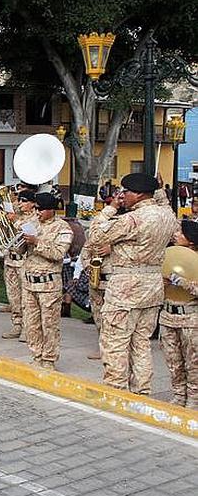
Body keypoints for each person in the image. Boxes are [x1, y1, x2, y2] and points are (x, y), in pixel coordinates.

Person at [88, 173, 176, 394]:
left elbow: (96, 236)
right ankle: (142, 392)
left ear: (137, 194)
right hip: (152, 286)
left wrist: (109, 209)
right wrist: (159, 191)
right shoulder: (166, 216)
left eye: (124, 192)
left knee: (115, 343)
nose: (122, 196)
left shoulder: (133, 219)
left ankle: (115, 392)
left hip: (125, 288)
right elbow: (167, 210)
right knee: (142, 344)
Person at [21, 193, 73, 371]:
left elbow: (58, 253)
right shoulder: (32, 223)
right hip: (29, 283)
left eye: (41, 209)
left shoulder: (63, 228)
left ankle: (49, 359)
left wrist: (37, 242)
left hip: (49, 285)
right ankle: (36, 354)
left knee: (49, 324)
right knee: (31, 322)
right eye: (35, 209)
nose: (37, 213)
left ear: (52, 210)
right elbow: (20, 250)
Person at [161, 220, 198, 409]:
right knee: (173, 361)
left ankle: (193, 399)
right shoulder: (168, 257)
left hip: (191, 320)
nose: (176, 235)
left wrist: (181, 281)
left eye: (181, 233)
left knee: (193, 364)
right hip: (168, 317)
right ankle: (178, 396)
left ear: (191, 241)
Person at [2, 190, 37, 341]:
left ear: (32, 203)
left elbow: (27, 230)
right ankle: (17, 324)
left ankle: (28, 328)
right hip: (10, 259)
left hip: (24, 261)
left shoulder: (35, 218)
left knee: (26, 296)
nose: (20, 203)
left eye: (24, 201)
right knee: (13, 295)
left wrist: (14, 220)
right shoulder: (17, 215)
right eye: (20, 200)